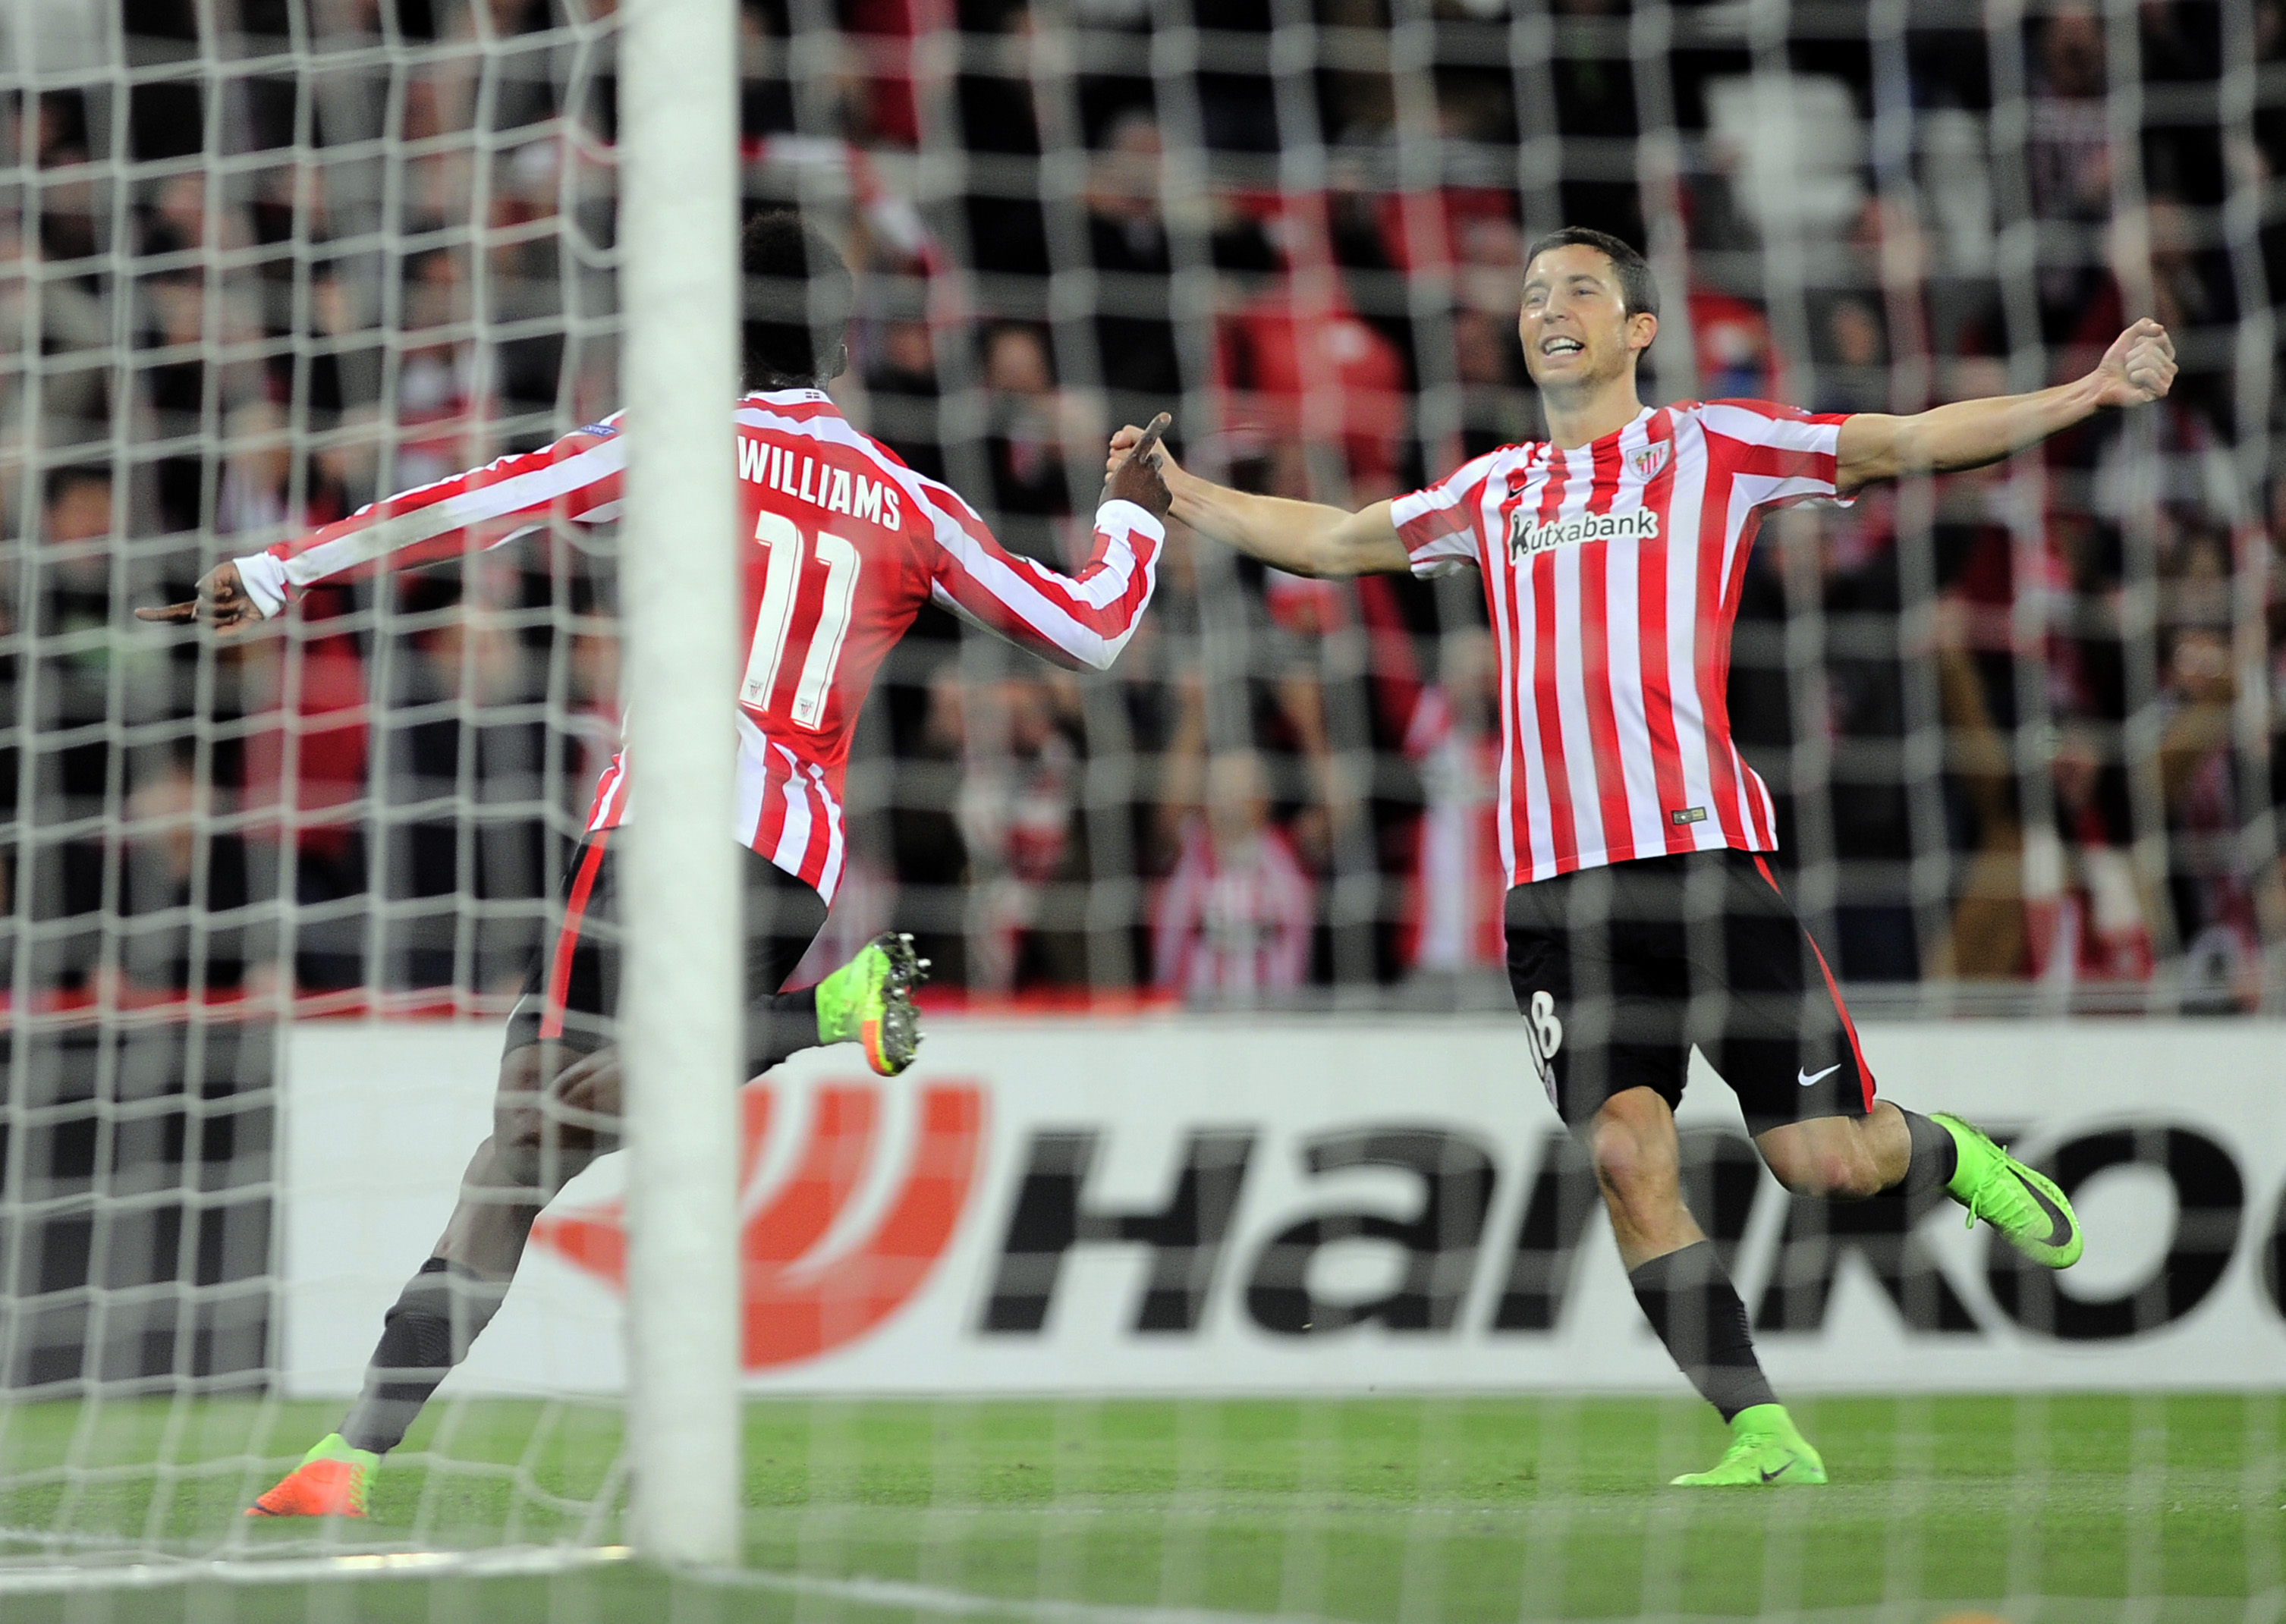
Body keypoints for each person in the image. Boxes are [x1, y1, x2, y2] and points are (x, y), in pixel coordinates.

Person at [145, 209, 1174, 1518]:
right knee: (540, 1134)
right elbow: (1084, 635)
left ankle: (353, 1450)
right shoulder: (915, 501)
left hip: (658, 820)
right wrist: (1127, 521)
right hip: (787, 855)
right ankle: (351, 1455)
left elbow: (480, 503)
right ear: (845, 347)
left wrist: (284, 570)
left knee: (524, 1135)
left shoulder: (676, 443)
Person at [1110, 226, 2176, 1487]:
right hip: (1553, 894)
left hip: (1701, 859)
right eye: (1528, 294)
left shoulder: (1710, 446)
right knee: (1624, 1153)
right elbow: (1334, 540)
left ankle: (1953, 1154)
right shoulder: (1493, 489)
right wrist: (1173, 494)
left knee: (1820, 1162)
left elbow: (1898, 440)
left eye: (1577, 290)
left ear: (1636, 331)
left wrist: (2087, 391)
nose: (1545, 308)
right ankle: (1758, 1431)